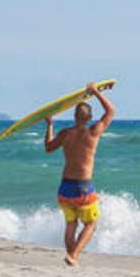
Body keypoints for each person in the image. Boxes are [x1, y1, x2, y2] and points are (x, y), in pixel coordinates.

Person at [44, 82, 115, 266]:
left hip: (65, 188)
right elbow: (110, 112)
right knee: (91, 225)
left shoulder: (66, 133)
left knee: (71, 225)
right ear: (90, 117)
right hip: (83, 187)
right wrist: (96, 93)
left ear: (74, 116)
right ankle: (74, 255)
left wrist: (50, 125)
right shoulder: (94, 132)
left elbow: (48, 148)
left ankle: (71, 257)